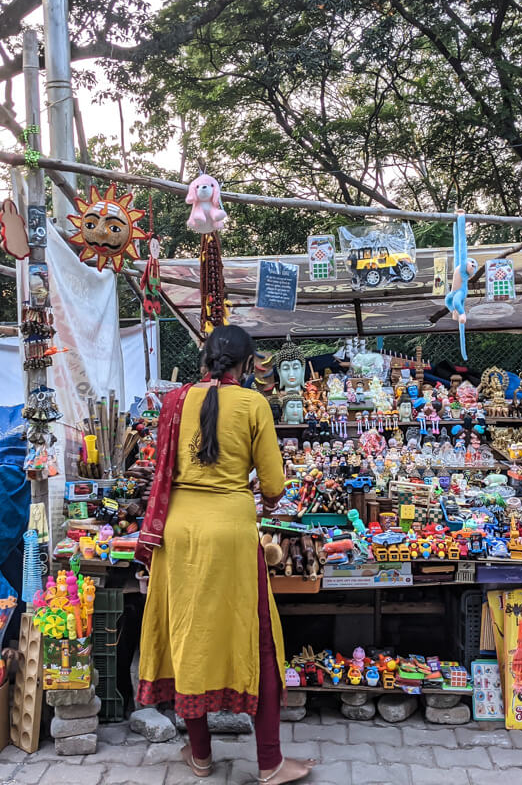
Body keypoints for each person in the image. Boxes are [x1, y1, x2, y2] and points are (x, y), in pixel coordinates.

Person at [135, 325, 316, 783]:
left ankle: (199, 756)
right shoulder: (254, 405)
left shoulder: (175, 403)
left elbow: (162, 467)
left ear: (205, 360)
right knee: (258, 641)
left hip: (179, 533)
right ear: (250, 365)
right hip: (233, 534)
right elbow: (273, 487)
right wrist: (265, 495)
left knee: (187, 637)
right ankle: (270, 762)